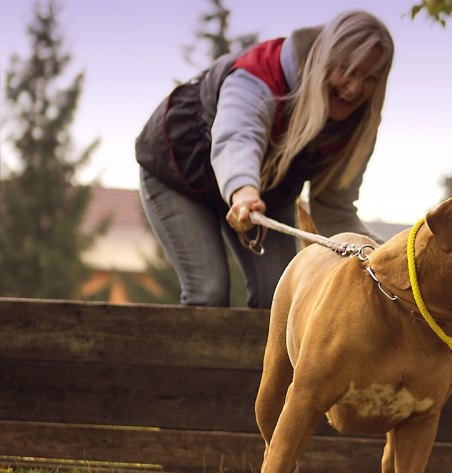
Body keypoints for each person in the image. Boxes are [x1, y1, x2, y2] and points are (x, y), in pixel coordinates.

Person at [135, 10, 394, 308]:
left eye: (369, 78)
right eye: (346, 69)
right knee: (208, 291)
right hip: (180, 172)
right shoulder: (259, 75)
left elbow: (335, 214)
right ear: (324, 58)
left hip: (264, 193)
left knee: (280, 299)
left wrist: (389, 256)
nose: (353, 88)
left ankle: (253, 357)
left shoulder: (357, 126)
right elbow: (237, 137)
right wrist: (243, 192)